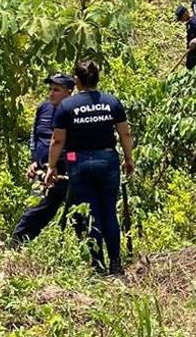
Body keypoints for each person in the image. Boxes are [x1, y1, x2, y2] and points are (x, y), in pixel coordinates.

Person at [44, 60, 135, 276]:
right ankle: (116, 263)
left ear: (77, 80)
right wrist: (129, 159)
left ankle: (98, 266)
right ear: (97, 79)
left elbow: (57, 141)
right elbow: (125, 134)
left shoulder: (67, 106)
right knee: (109, 212)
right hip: (108, 160)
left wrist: (51, 167)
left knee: (91, 213)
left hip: (79, 161)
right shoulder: (111, 102)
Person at [11, 73, 75, 244]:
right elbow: (35, 136)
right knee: (36, 208)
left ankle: (87, 254)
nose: (51, 93)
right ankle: (16, 244)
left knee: (78, 213)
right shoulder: (44, 108)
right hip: (42, 170)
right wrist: (34, 160)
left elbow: (75, 145)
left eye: (56, 90)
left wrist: (65, 164)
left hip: (66, 172)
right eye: (50, 89)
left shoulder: (74, 112)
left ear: (68, 93)